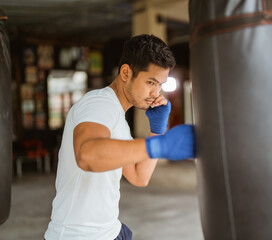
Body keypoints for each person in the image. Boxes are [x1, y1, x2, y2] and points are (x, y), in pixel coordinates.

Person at [44, 34, 196, 240]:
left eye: (160, 85)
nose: (156, 92)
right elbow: (87, 155)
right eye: (151, 81)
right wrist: (161, 145)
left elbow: (138, 177)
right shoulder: (99, 103)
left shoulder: (118, 118)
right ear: (126, 72)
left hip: (109, 231)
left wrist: (157, 131)